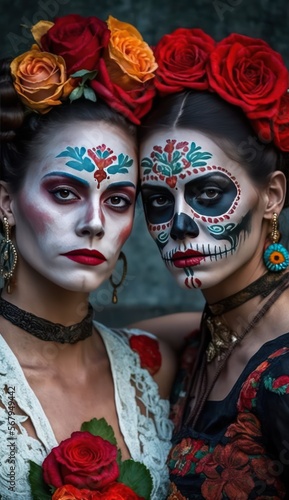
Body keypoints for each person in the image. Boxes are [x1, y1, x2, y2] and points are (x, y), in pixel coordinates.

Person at [0, 13, 180, 499]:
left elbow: (228, 330)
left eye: (118, 200)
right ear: (7, 202)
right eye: (64, 193)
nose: (95, 222)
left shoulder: (149, 364)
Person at [139, 28, 289, 498]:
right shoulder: (206, 332)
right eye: (158, 200)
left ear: (272, 197)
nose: (179, 224)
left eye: (208, 194)